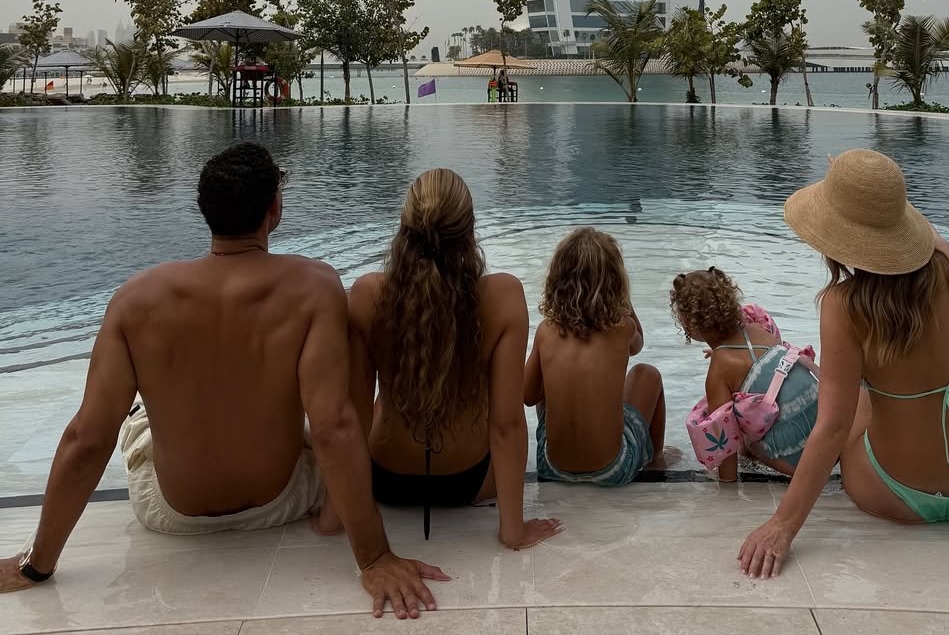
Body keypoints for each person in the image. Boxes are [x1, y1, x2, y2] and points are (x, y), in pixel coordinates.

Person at [0, 142, 447, 620]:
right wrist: (375, 557)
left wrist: (36, 566)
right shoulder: (314, 286)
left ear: (204, 210)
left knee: (139, 416)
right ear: (274, 209)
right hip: (280, 501)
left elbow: (87, 438)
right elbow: (333, 426)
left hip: (169, 513)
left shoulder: (135, 299)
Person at [738, 149, 949, 579]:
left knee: (855, 400)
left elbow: (832, 428)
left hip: (898, 497)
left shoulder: (842, 305)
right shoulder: (945, 265)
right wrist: (876, 202)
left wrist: (783, 525)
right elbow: (923, 236)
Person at [328, 168, 561, 549]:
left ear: (403, 230)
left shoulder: (368, 294)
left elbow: (348, 416)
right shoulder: (503, 297)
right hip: (467, 481)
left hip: (383, 477)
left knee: (363, 411)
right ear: (470, 231)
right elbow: (506, 425)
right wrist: (513, 529)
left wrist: (332, 514)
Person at [524, 227, 665, 485]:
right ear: (616, 282)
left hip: (552, 466)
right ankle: (656, 456)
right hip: (613, 468)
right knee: (648, 374)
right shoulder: (623, 329)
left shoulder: (546, 331)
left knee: (547, 377)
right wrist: (624, 303)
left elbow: (529, 395)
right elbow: (638, 346)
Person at [671, 268, 836, 481]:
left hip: (797, 460)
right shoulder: (759, 330)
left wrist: (727, 488)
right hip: (829, 437)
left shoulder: (720, 367)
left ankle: (757, 458)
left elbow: (724, 440)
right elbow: (763, 371)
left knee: (736, 426)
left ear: (687, 322)